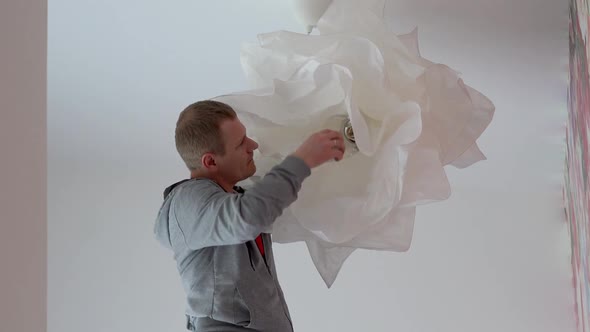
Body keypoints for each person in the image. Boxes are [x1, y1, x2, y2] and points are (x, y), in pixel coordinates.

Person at [154, 100, 346, 331]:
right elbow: (247, 218)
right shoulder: (187, 200)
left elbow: (262, 205)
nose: (253, 145)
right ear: (211, 161)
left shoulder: (235, 199)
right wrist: (302, 159)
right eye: (240, 143)